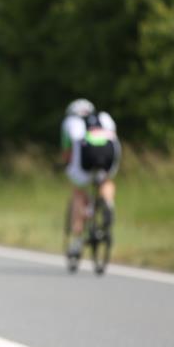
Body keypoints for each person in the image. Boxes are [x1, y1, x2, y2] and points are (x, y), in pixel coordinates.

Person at [60, 98, 120, 259]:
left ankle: (77, 241)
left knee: (79, 193)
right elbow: (114, 138)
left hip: (85, 154)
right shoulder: (104, 117)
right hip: (108, 151)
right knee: (106, 181)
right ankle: (107, 203)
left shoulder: (70, 121)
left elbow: (67, 151)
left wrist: (65, 165)